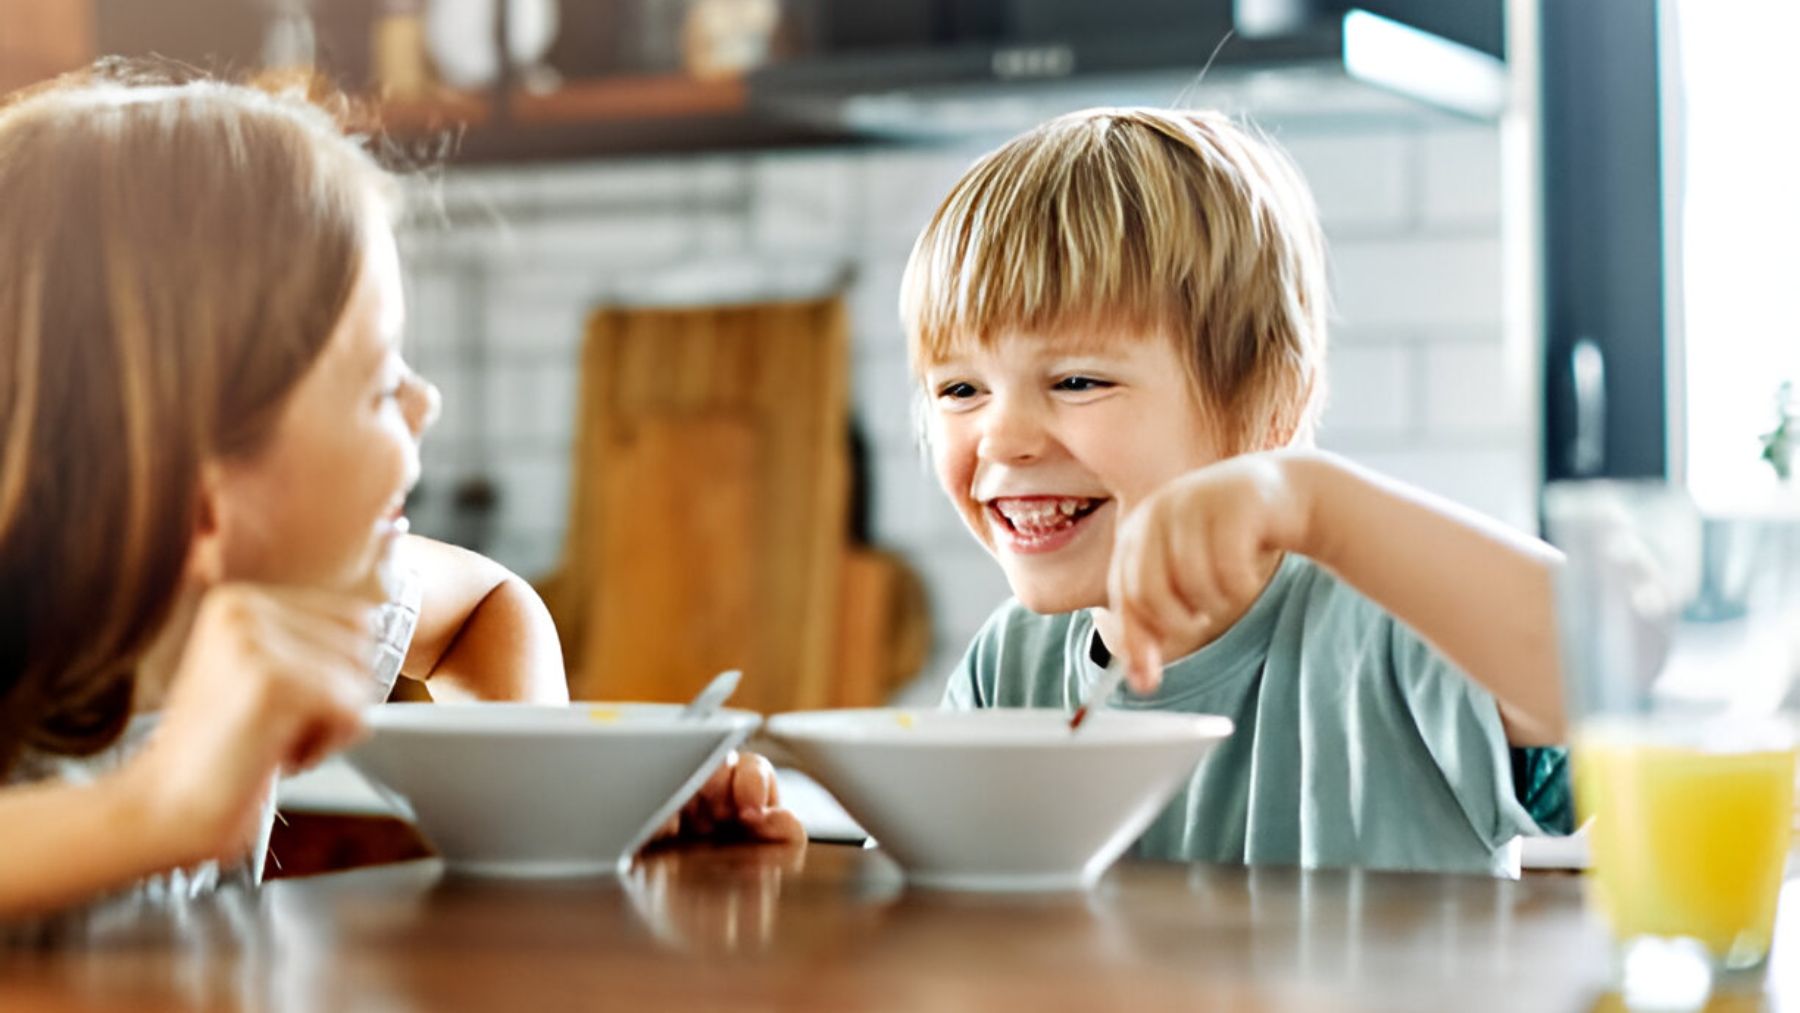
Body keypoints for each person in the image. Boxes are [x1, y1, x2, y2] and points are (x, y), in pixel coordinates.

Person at [0, 68, 796, 917]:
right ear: (198, 491)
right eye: (380, 386)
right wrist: (157, 807)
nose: (427, 402)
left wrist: (548, 822)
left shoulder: (247, 607)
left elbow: (485, 607)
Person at [901, 107, 1571, 876]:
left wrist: (1313, 501)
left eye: (1077, 380)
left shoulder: (1393, 629)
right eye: (959, 388)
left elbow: (1605, 678)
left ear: (1270, 404)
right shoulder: (1006, 668)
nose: (1001, 437)